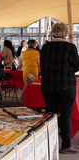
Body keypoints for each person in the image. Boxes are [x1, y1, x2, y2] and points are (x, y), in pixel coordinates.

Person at [40, 23, 79, 154]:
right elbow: (77, 67)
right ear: (65, 33)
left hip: (48, 85)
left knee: (50, 115)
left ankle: (49, 143)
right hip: (66, 85)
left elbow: (43, 66)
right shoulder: (70, 47)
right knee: (66, 116)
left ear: (53, 32)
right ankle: (66, 145)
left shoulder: (45, 47)